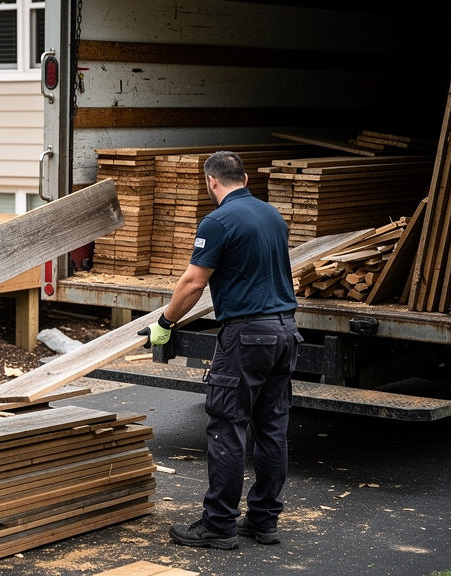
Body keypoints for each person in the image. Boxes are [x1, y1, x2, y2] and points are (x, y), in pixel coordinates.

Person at [138, 150, 302, 550]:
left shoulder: (217, 221)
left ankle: (219, 525)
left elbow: (194, 283)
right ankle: (263, 521)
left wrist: (164, 324)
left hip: (247, 336)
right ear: (244, 177)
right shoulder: (272, 215)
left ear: (211, 181)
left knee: (228, 428)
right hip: (286, 332)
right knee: (272, 430)